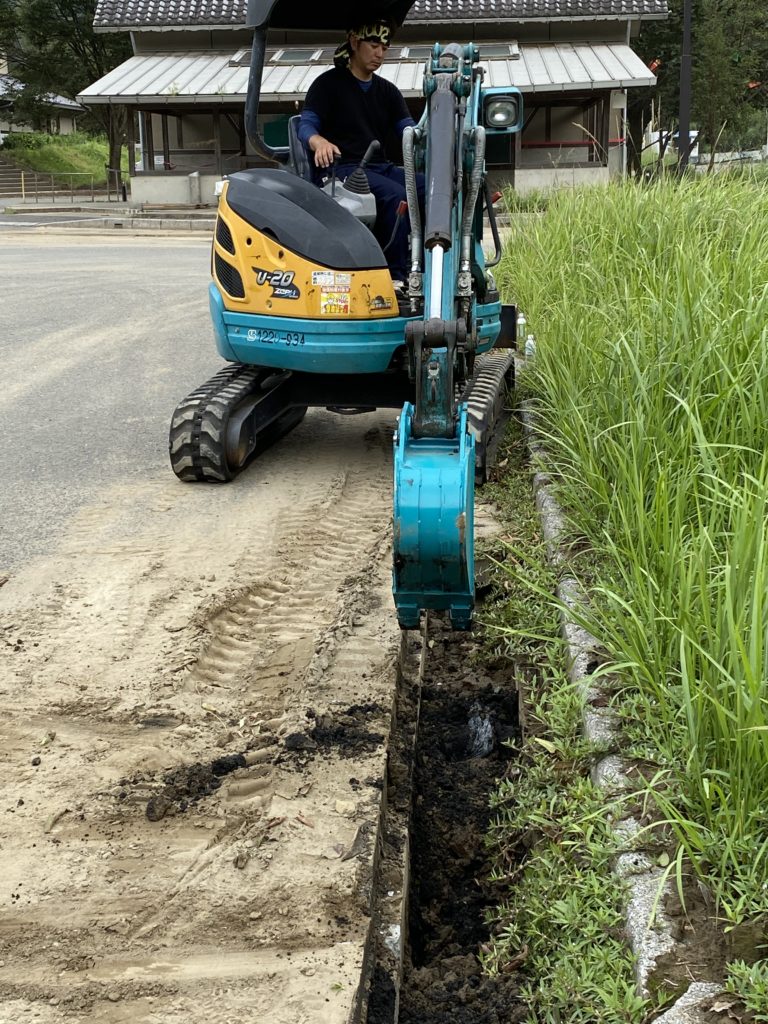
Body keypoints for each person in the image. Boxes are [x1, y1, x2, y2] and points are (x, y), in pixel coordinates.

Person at [297, 21, 424, 282]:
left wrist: (430, 135)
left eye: (384, 48)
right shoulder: (327, 85)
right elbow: (306, 125)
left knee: (428, 189)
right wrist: (318, 141)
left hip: (379, 167)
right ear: (355, 43)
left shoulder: (388, 91)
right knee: (397, 196)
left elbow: (409, 130)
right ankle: (396, 277)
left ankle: (426, 266)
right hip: (341, 169)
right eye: (374, 45)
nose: (380, 53)